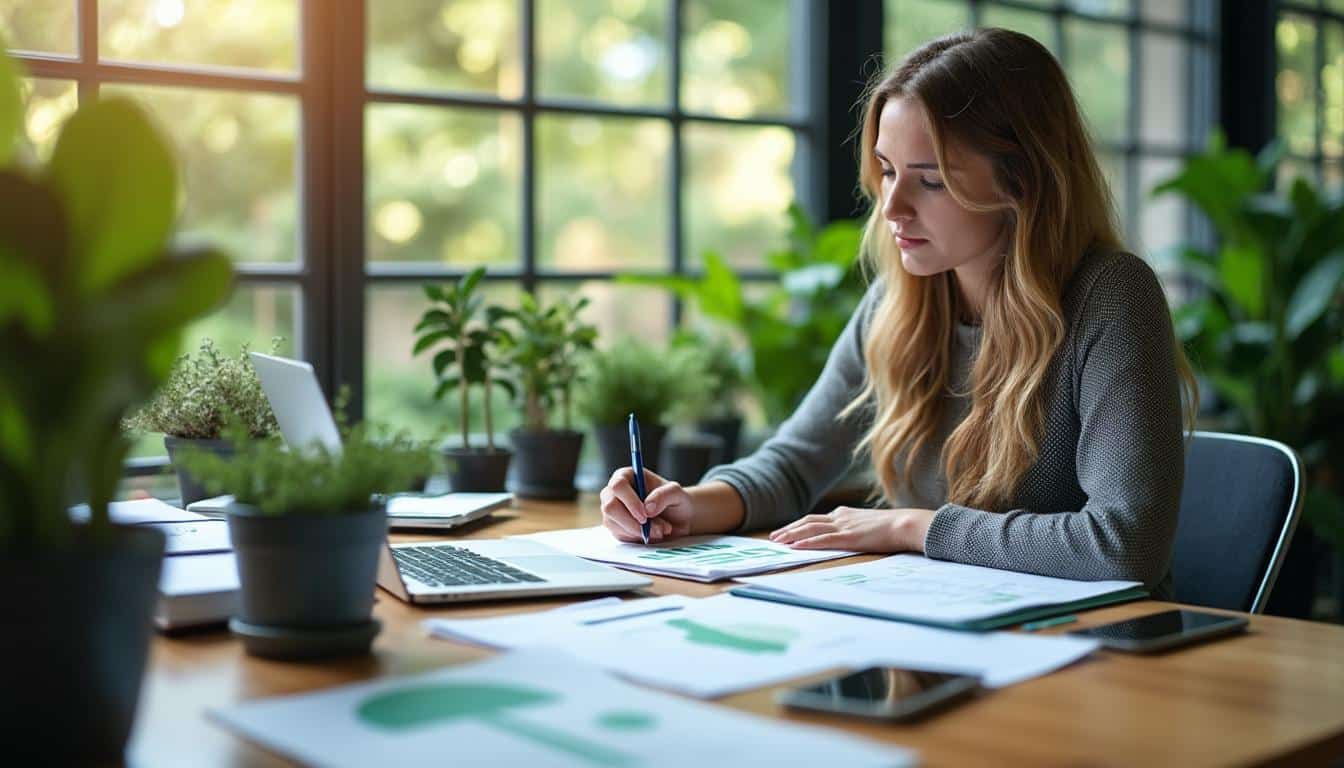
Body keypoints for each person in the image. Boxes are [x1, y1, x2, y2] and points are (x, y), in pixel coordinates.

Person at [599, 28, 1197, 599]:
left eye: (930, 181)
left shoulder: (1111, 298)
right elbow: (794, 463)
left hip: (1101, 654)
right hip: (941, 626)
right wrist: (686, 504)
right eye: (886, 171)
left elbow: (1124, 545)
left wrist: (914, 528)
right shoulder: (901, 301)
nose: (892, 206)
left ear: (1023, 182)